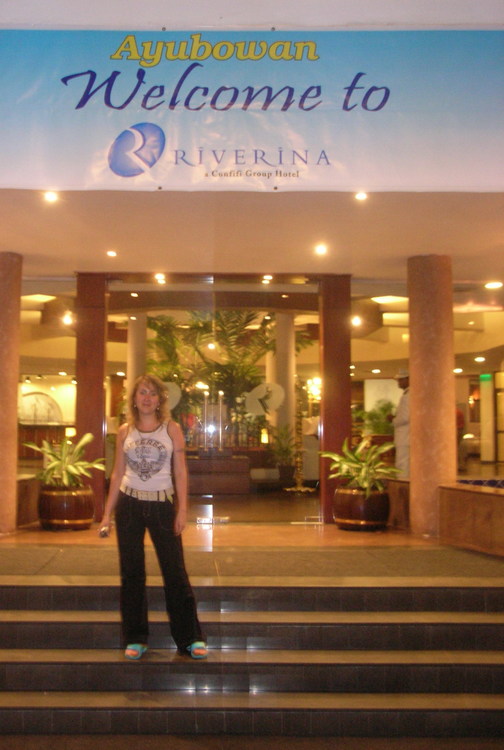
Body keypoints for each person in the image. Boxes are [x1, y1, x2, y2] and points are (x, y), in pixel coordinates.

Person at [99, 374, 207, 661]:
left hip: (162, 505)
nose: (147, 398)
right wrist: (107, 514)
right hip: (129, 505)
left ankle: (190, 638)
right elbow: (117, 472)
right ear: (134, 399)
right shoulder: (125, 431)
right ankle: (135, 638)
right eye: (142, 393)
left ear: (160, 400)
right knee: (132, 573)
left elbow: (180, 471)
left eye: (152, 393)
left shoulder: (171, 429)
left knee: (175, 571)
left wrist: (182, 510)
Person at [392, 369, 410, 477]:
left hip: (404, 436)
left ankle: (402, 485)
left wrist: (393, 420)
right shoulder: (409, 394)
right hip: (407, 436)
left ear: (408, 379)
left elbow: (405, 417)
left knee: (402, 465)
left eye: (401, 380)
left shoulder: (407, 396)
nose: (398, 382)